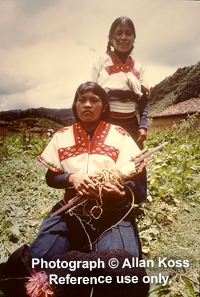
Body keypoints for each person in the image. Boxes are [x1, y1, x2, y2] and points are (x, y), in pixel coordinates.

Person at [29, 81, 147, 262]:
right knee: (37, 260)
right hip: (72, 211)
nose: (87, 104)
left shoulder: (120, 134)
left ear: (104, 106)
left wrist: (121, 193)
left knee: (121, 268)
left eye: (94, 100)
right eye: (81, 100)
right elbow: (51, 177)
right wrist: (72, 178)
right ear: (75, 105)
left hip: (113, 212)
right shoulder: (61, 136)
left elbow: (138, 182)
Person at [90, 16, 150, 147]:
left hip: (131, 125)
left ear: (134, 38)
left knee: (135, 164)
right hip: (105, 123)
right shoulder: (100, 62)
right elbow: (90, 95)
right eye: (118, 33)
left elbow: (143, 100)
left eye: (128, 33)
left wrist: (143, 125)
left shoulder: (138, 68)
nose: (123, 37)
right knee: (106, 164)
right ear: (111, 39)